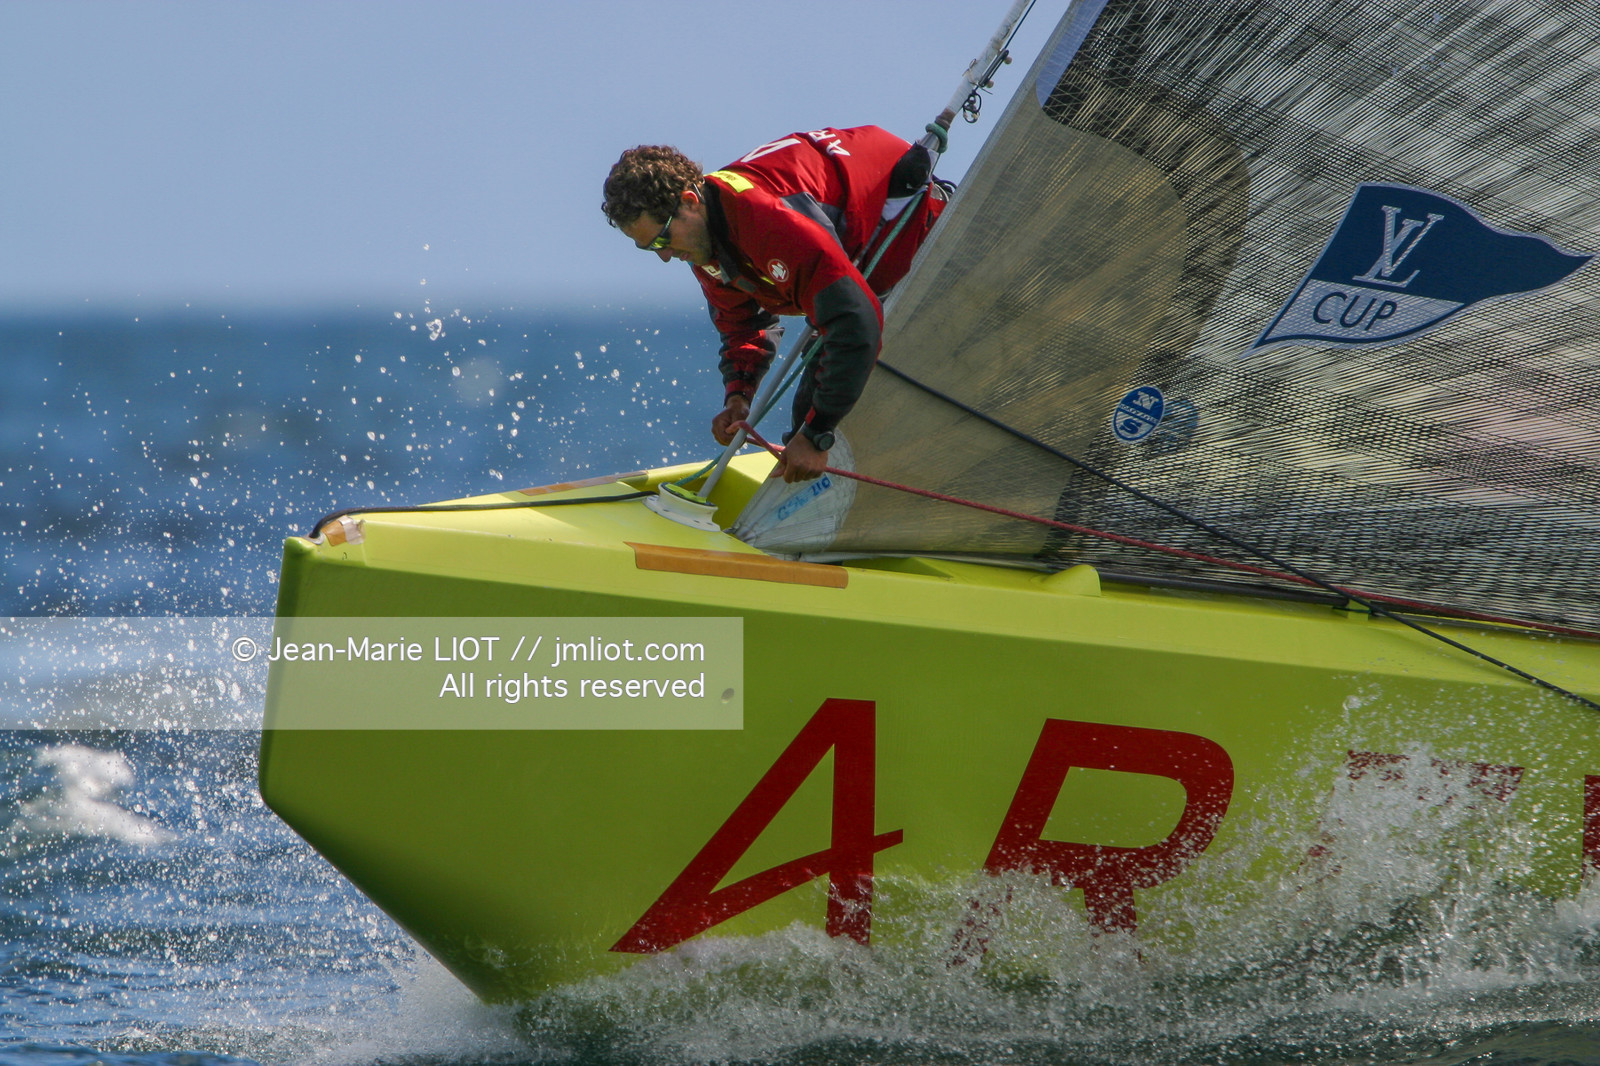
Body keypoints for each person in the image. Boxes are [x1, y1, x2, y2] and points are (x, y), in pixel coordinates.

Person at [601, 127, 949, 482]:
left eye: (663, 239)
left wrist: (815, 436)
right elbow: (744, 325)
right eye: (649, 248)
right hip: (859, 243)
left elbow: (856, 324)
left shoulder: (763, 220)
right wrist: (738, 396)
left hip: (918, 223)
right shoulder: (706, 240)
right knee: (818, 391)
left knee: (823, 393)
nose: (664, 256)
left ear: (690, 201)